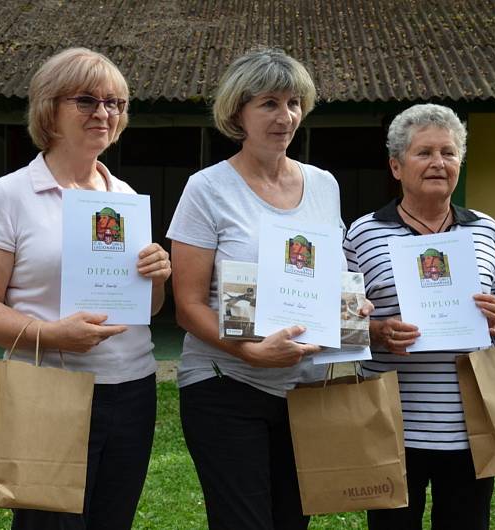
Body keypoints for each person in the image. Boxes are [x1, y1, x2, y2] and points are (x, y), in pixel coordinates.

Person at [0, 47, 171, 530]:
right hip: (49, 386)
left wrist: (157, 278)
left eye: (115, 103)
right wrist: (51, 335)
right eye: (86, 100)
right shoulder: (9, 194)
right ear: (49, 108)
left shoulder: (125, 198)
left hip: (132, 388)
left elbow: (146, 309)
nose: (104, 113)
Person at [167, 47, 370, 530]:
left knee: (292, 521)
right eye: (269, 104)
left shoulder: (324, 184)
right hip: (226, 385)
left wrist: (350, 307)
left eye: (294, 103)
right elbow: (187, 306)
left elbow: (327, 276)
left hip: (308, 390)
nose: (286, 116)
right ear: (238, 111)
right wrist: (250, 353)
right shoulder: (207, 188)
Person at [343, 103, 495, 530]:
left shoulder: (484, 229)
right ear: (396, 166)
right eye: (424, 152)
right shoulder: (363, 233)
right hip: (390, 421)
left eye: (449, 152)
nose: (438, 163)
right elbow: (339, 319)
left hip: (471, 423)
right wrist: (377, 331)